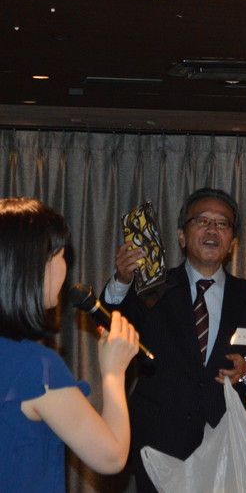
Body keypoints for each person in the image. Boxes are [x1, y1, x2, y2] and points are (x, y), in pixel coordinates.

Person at [102, 188, 246, 492]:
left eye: (222, 223)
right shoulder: (152, 287)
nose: (212, 229)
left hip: (222, 445)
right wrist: (121, 281)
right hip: (158, 440)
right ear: (182, 236)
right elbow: (112, 326)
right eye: (202, 220)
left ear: (232, 242)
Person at [0, 198, 140, 492]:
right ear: (34, 266)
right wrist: (114, 372)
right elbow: (111, 457)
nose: (65, 268)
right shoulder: (35, 366)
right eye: (61, 256)